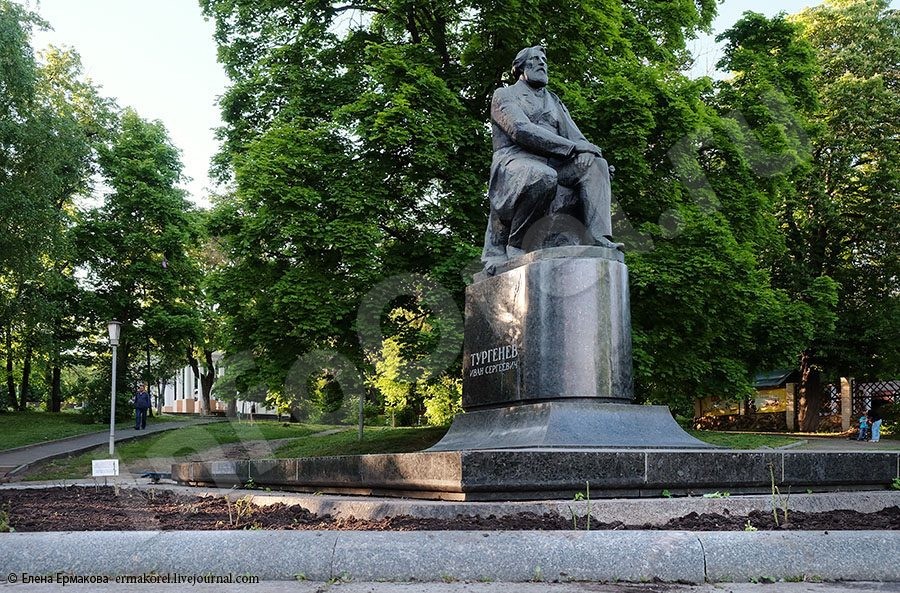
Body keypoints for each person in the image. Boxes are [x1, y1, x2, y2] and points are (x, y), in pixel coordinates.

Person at [482, 45, 622, 272]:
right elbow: (520, 130)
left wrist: (590, 153)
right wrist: (574, 148)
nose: (542, 64)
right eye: (535, 60)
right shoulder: (504, 95)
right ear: (520, 68)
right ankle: (516, 243)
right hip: (514, 162)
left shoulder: (554, 101)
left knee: (597, 166)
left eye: (544, 60)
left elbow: (577, 138)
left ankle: (599, 238)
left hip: (555, 163)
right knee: (542, 176)